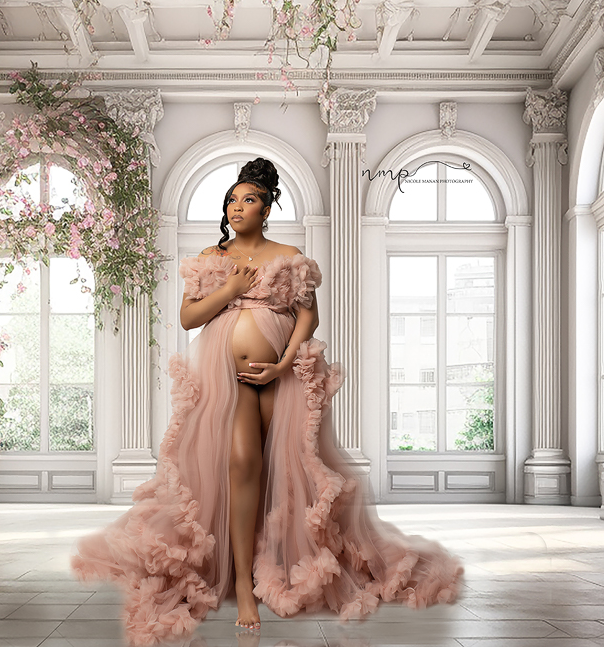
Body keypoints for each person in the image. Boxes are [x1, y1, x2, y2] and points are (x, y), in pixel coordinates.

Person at [71, 157, 463, 644]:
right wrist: (232, 288)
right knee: (242, 465)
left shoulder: (288, 255)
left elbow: (308, 318)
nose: (237, 208)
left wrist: (283, 364)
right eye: (231, 200)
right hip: (224, 377)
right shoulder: (215, 258)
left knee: (292, 469)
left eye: (248, 199)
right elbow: (189, 317)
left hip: (280, 374)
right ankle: (241, 582)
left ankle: (276, 561)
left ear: (267, 206)